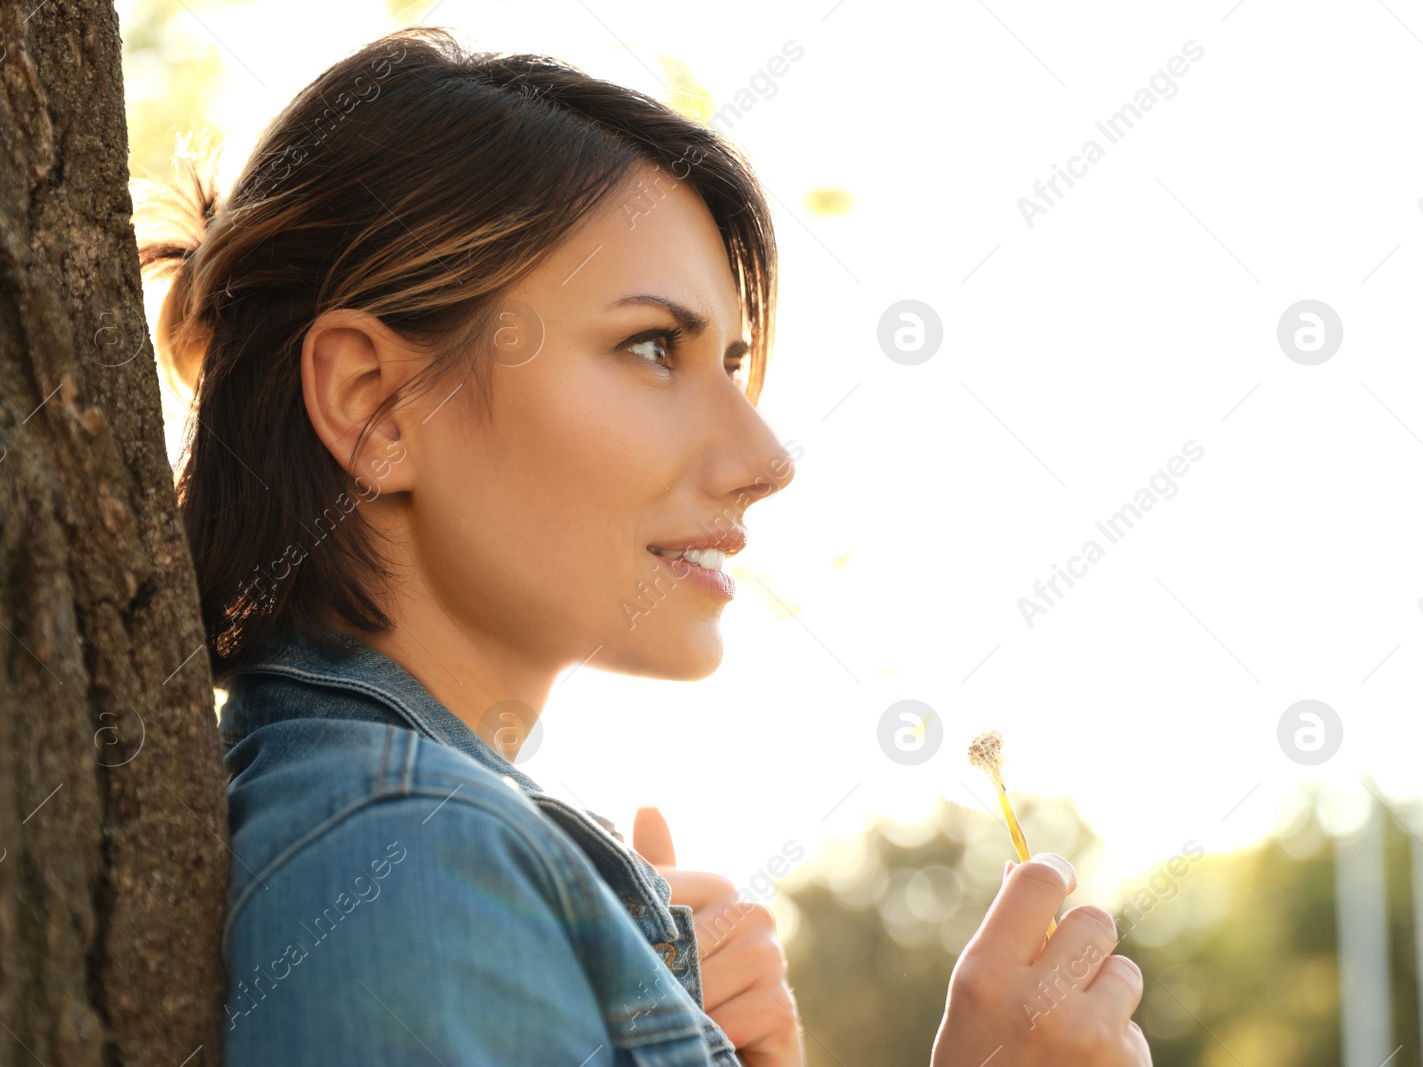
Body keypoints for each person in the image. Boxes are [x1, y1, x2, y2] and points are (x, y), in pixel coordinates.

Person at [138, 25, 1151, 1066]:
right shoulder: (408, 851)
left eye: (732, 360)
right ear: (377, 404)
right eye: (652, 346)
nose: (764, 456)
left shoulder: (439, 846)